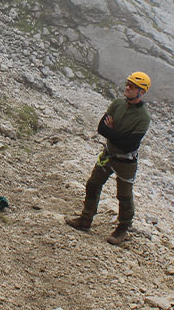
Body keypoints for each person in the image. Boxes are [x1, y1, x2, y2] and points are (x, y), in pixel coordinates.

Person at [65, 72, 152, 245]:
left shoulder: (143, 117)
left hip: (126, 161)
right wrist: (116, 135)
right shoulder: (117, 103)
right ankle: (85, 219)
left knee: (124, 196)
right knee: (92, 184)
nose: (127, 87)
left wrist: (112, 131)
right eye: (128, 83)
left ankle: (122, 228)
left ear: (141, 92)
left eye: (133, 86)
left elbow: (130, 144)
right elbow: (101, 129)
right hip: (109, 155)